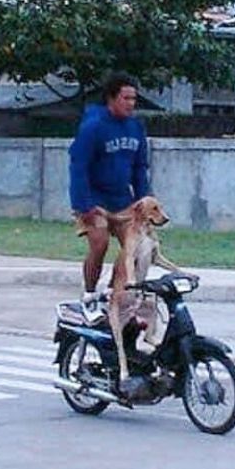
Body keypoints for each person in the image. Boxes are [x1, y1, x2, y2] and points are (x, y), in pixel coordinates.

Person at [68, 72, 150, 317]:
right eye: (125, 98)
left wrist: (143, 201)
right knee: (100, 242)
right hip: (95, 201)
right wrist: (84, 204)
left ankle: (113, 294)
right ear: (111, 99)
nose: (131, 104)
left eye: (134, 99)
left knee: (135, 248)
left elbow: (139, 169)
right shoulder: (93, 127)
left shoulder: (136, 128)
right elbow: (78, 166)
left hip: (123, 201)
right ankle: (90, 294)